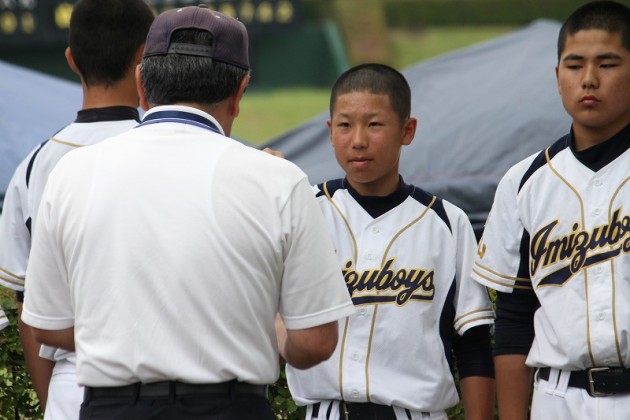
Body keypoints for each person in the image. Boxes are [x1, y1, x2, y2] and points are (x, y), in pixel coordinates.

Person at [20, 5, 355, 420]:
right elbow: (314, 343)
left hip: (111, 408)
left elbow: (47, 325)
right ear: (240, 92)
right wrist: (264, 331)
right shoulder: (278, 179)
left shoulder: (72, 172)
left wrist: (127, 331)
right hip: (229, 407)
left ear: (142, 83)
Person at [285, 63, 496, 420]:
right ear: (329, 130)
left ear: (407, 130)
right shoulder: (304, 210)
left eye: (374, 124)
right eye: (345, 125)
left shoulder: (446, 222)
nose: (358, 140)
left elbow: (473, 345)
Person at [471, 1, 630, 419]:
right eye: (574, 65)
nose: (589, 79)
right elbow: (514, 318)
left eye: (608, 63)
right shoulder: (524, 182)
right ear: (557, 77)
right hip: (557, 399)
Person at [0, 0, 154, 418]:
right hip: (174, 384)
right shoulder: (174, 150)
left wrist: (55, 405)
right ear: (146, 56)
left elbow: (29, 310)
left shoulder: (34, 166)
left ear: (71, 59)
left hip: (74, 381)